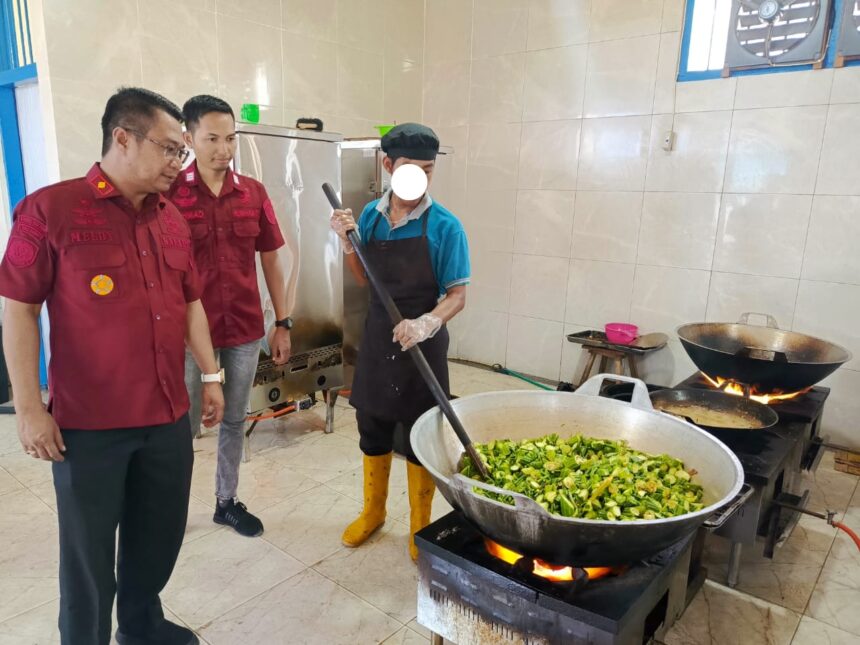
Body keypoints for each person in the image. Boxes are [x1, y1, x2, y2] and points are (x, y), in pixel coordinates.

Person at [0, 87, 224, 645]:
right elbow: (19, 311)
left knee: (158, 537)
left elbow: (191, 300)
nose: (179, 162)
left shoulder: (172, 219)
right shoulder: (50, 210)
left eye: (182, 152)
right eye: (170, 149)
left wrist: (212, 374)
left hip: (168, 416)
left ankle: (143, 628)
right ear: (122, 138)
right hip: (89, 427)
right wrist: (29, 407)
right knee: (88, 561)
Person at [329, 123, 470, 560]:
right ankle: (373, 512)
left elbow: (458, 295)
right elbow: (365, 281)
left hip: (422, 345)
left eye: (429, 169)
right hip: (377, 338)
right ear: (388, 166)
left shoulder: (445, 226)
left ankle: (418, 524)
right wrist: (349, 245)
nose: (422, 179)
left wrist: (427, 322)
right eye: (413, 168)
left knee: (418, 432)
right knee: (371, 425)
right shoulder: (370, 216)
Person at [168, 95, 290, 538]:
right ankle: (169, 508)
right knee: (181, 425)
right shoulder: (169, 194)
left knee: (235, 418)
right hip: (187, 334)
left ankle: (226, 501)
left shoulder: (252, 193)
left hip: (242, 327)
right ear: (189, 138)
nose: (224, 148)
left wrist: (283, 320)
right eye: (212, 139)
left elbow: (273, 260)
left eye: (231, 138)